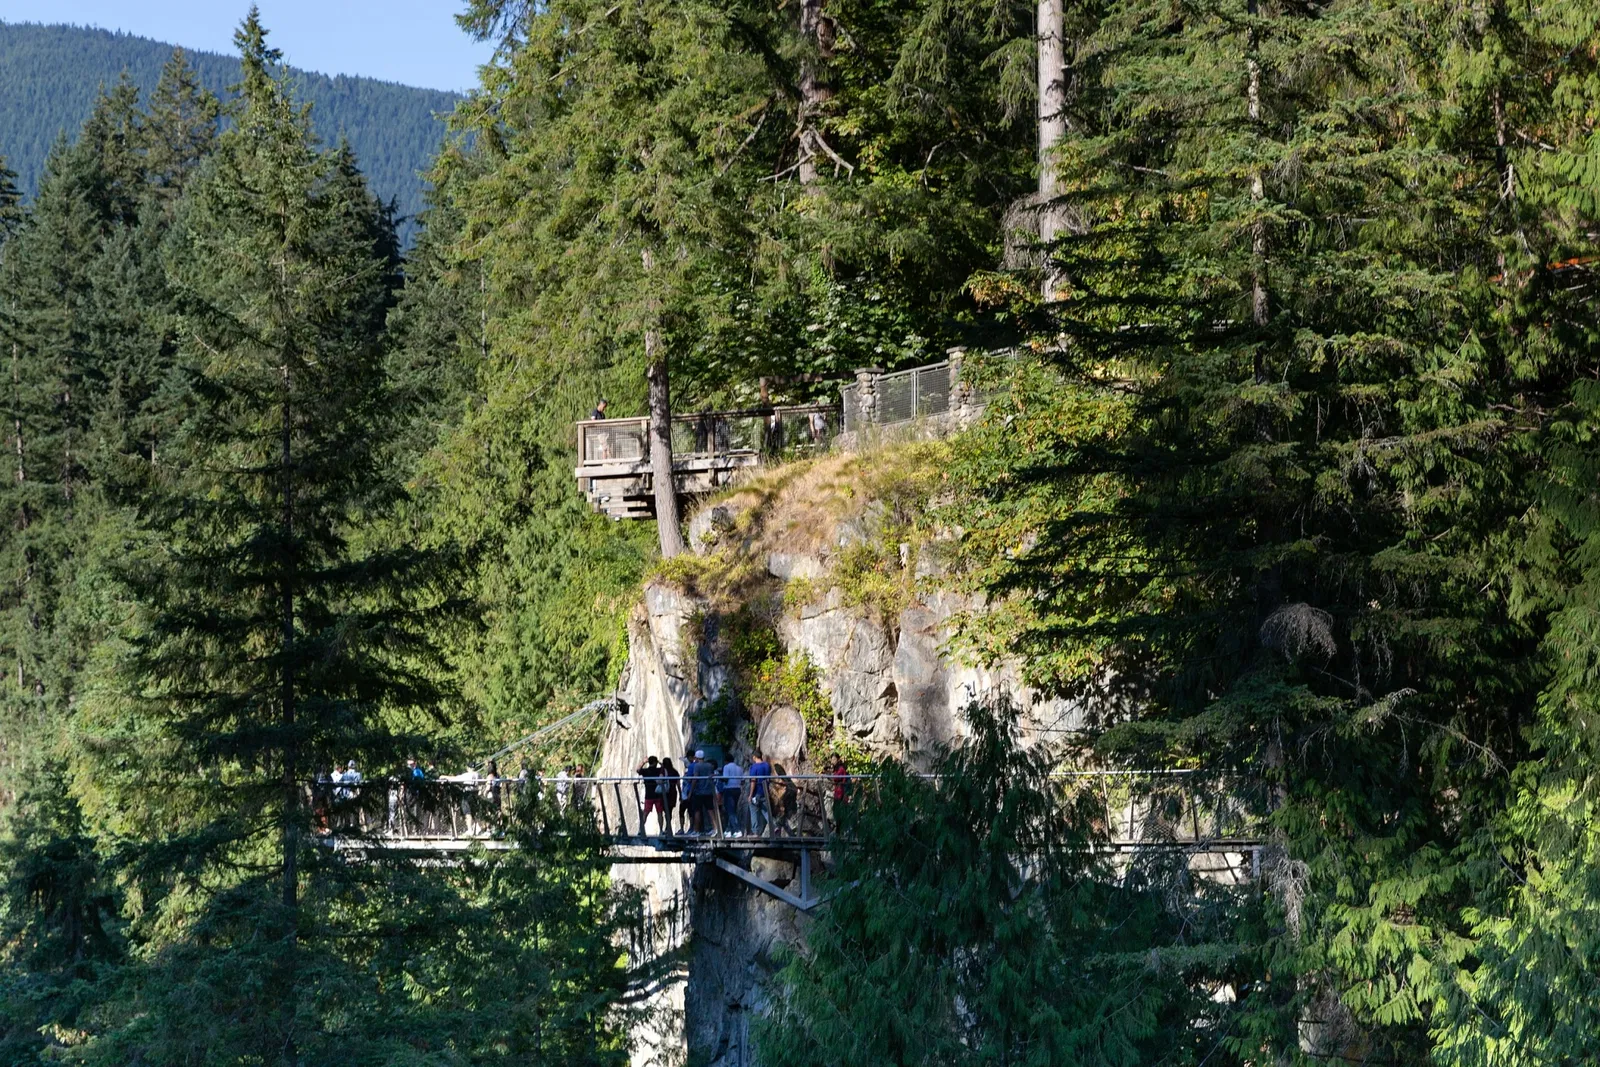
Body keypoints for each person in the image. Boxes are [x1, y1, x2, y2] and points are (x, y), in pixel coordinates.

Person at [690, 750, 717, 835]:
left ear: (697, 758)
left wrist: (691, 791)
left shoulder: (697, 766)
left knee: (697, 811)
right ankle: (715, 828)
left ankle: (696, 830)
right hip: (709, 791)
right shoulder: (709, 766)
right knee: (710, 810)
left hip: (699, 792)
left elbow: (695, 778)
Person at [747, 750, 773, 836]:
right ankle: (774, 827)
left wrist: (750, 795)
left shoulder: (754, 767)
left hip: (756, 793)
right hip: (765, 792)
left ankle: (756, 832)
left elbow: (753, 781)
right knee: (766, 811)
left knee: (753, 810)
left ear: (754, 757)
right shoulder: (767, 765)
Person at [638, 756, 666, 835]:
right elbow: (664, 768)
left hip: (648, 795)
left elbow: (638, 770)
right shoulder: (658, 770)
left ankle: (640, 830)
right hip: (658, 795)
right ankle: (661, 830)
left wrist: (644, 762)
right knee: (659, 813)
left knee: (645, 813)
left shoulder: (645, 771)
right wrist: (660, 762)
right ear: (655, 762)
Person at [719, 755, 744, 837]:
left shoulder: (726, 767)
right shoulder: (739, 768)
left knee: (730, 810)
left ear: (726, 761)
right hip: (737, 789)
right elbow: (742, 781)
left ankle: (737, 830)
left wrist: (718, 777)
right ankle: (729, 830)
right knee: (733, 809)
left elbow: (726, 779)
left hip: (729, 789)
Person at [826, 757, 850, 831]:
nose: (832, 761)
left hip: (841, 793)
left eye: (834, 759)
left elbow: (836, 778)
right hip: (838, 792)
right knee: (837, 811)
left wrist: (829, 774)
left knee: (839, 811)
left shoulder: (841, 769)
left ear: (838, 760)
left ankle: (841, 830)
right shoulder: (837, 769)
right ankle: (838, 829)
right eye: (832, 759)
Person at [660, 757, 681, 835]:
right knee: (669, 810)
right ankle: (667, 827)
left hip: (664, 792)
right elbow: (678, 784)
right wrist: (680, 794)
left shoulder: (662, 771)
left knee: (664, 810)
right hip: (672, 792)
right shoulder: (675, 771)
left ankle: (665, 828)